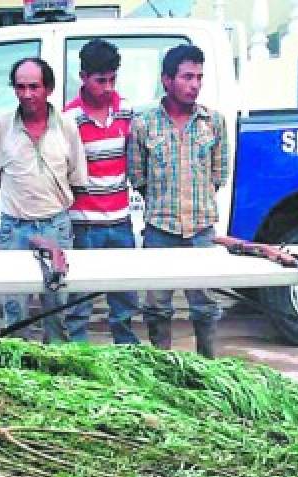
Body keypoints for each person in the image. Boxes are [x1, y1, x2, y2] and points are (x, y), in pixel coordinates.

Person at [127, 44, 230, 358]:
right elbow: (138, 177)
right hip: (160, 230)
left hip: (201, 230)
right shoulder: (144, 124)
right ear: (167, 80)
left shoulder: (214, 122)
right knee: (157, 307)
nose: (195, 84)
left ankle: (209, 370)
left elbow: (219, 174)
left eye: (199, 77)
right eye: (187, 77)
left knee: (205, 306)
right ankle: (165, 371)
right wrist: (165, 205)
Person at [0, 57, 87, 343]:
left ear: (49, 88)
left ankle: (57, 375)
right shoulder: (1, 126)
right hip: (14, 229)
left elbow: (77, 178)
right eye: (20, 87)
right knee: (14, 312)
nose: (26, 94)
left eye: (34, 87)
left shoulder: (67, 126)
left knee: (57, 311)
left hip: (56, 227)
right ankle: (19, 377)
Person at [62, 39, 140, 345]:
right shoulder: (69, 119)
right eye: (100, 81)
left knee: (124, 302)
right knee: (79, 302)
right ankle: (79, 362)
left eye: (112, 80)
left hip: (121, 222)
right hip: (84, 224)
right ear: (83, 77)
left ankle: (128, 358)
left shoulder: (126, 112)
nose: (107, 87)